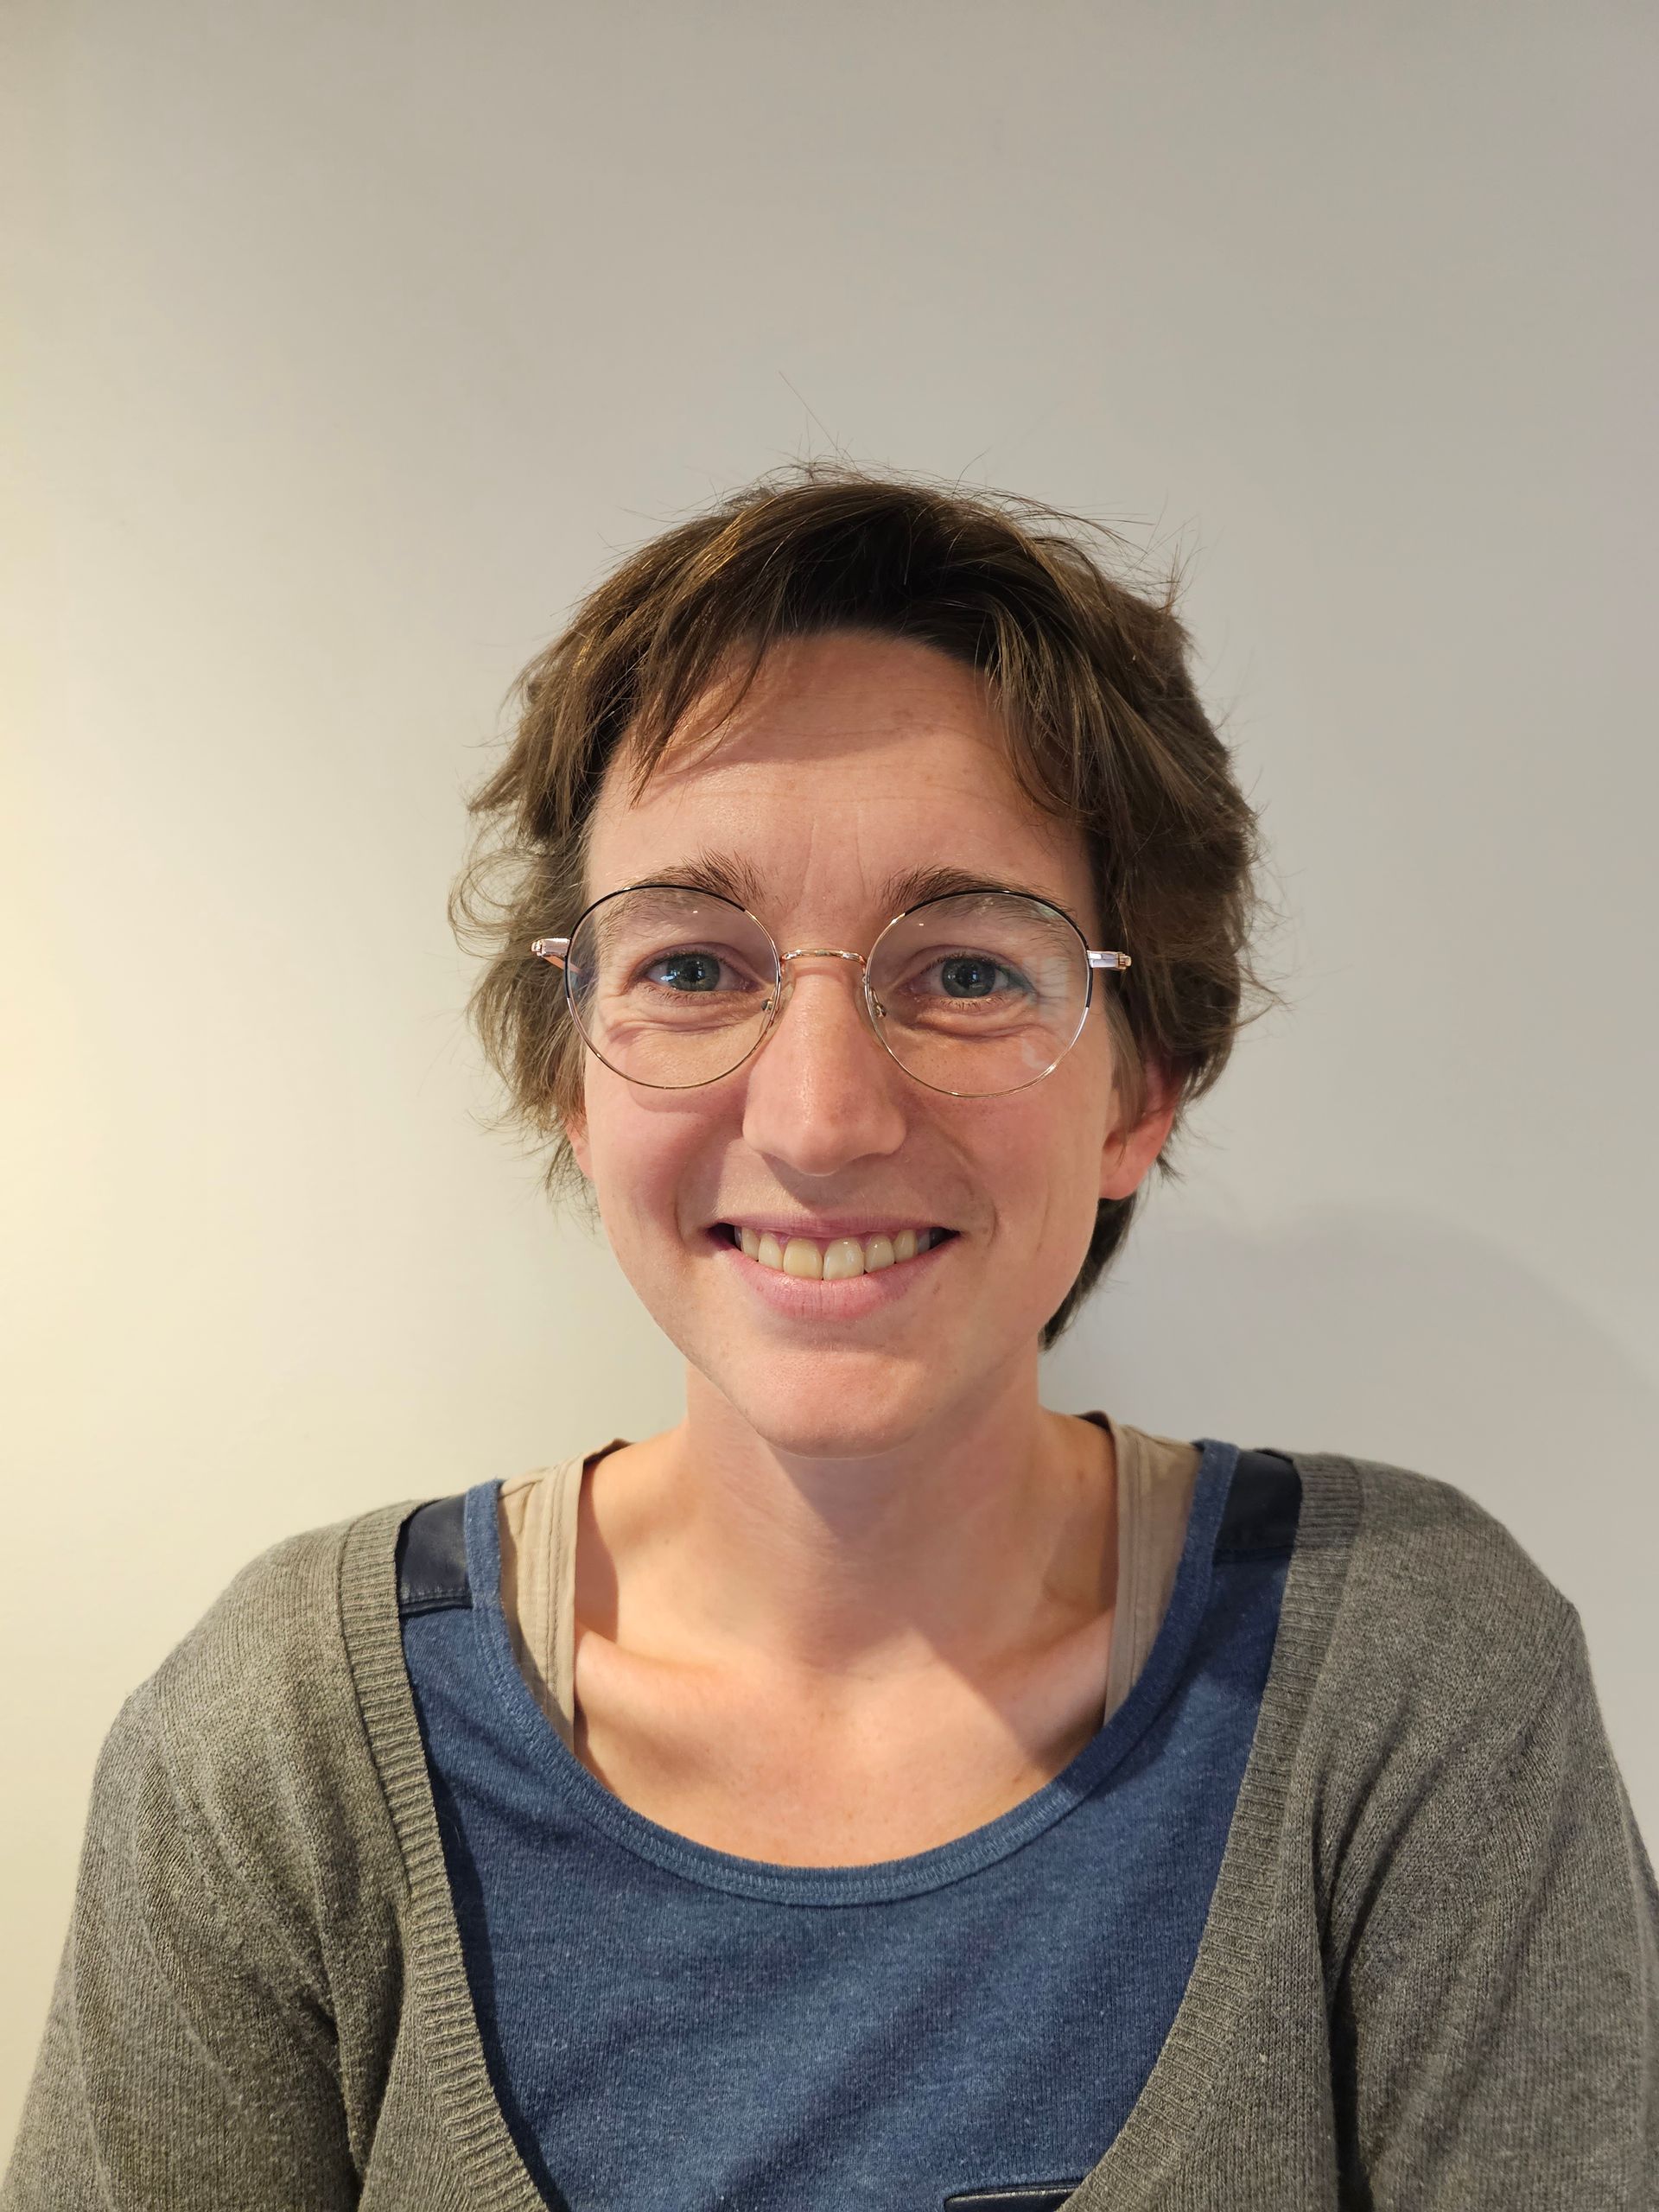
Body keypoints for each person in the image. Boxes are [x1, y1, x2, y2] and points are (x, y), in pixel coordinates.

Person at [6, 467, 1656, 2211]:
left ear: (1141, 1084)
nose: (820, 1117)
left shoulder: (1413, 1684)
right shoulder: (285, 1747)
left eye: (968, 971)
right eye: (693, 967)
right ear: (572, 1071)